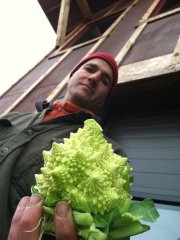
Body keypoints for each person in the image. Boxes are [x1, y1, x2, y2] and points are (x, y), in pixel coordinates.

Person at [0, 52, 125, 240]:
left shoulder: (110, 153)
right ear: (72, 75)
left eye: (105, 80)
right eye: (89, 69)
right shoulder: (12, 118)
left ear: (105, 98)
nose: (94, 77)